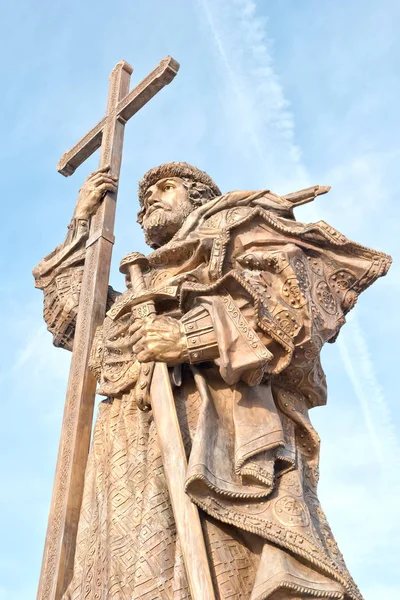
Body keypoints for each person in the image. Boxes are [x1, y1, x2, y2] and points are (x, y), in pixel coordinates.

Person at [33, 162, 391, 600]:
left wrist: (189, 335)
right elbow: (78, 321)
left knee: (216, 561)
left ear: (199, 197)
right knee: (126, 569)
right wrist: (82, 224)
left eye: (167, 188)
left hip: (207, 424)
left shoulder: (235, 232)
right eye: (144, 200)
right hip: (127, 438)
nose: (151, 201)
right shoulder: (140, 286)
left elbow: (290, 308)